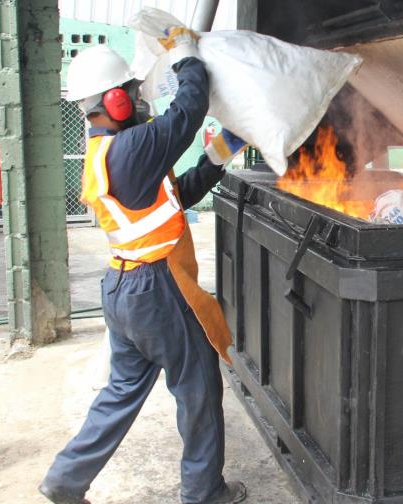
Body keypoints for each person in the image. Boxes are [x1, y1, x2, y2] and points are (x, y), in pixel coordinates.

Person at [38, 26, 247, 504]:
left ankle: (65, 480)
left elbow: (175, 198)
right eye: (131, 92)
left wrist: (219, 155)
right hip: (156, 290)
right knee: (197, 388)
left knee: (121, 391)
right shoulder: (132, 148)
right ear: (114, 101)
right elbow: (188, 111)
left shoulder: (106, 152)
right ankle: (204, 492)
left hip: (122, 289)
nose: (138, 99)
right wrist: (186, 54)